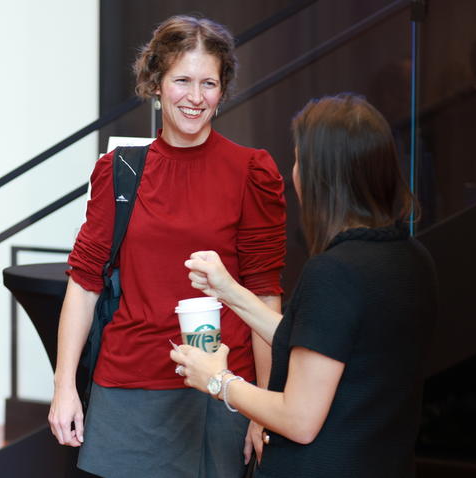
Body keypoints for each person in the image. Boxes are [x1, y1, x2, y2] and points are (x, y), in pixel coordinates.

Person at [49, 15, 287, 477]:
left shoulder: (251, 172)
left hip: (221, 389)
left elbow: (263, 293)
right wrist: (64, 386)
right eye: (182, 80)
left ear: (223, 89)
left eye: (209, 83)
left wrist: (265, 403)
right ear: (156, 84)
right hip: (127, 384)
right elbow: (83, 283)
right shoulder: (119, 171)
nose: (195, 98)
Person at [172, 93, 437, 477]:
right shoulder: (413, 257)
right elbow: (325, 343)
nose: (292, 171)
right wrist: (228, 290)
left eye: (298, 159)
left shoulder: (334, 272)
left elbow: (299, 418)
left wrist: (217, 379)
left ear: (320, 178)